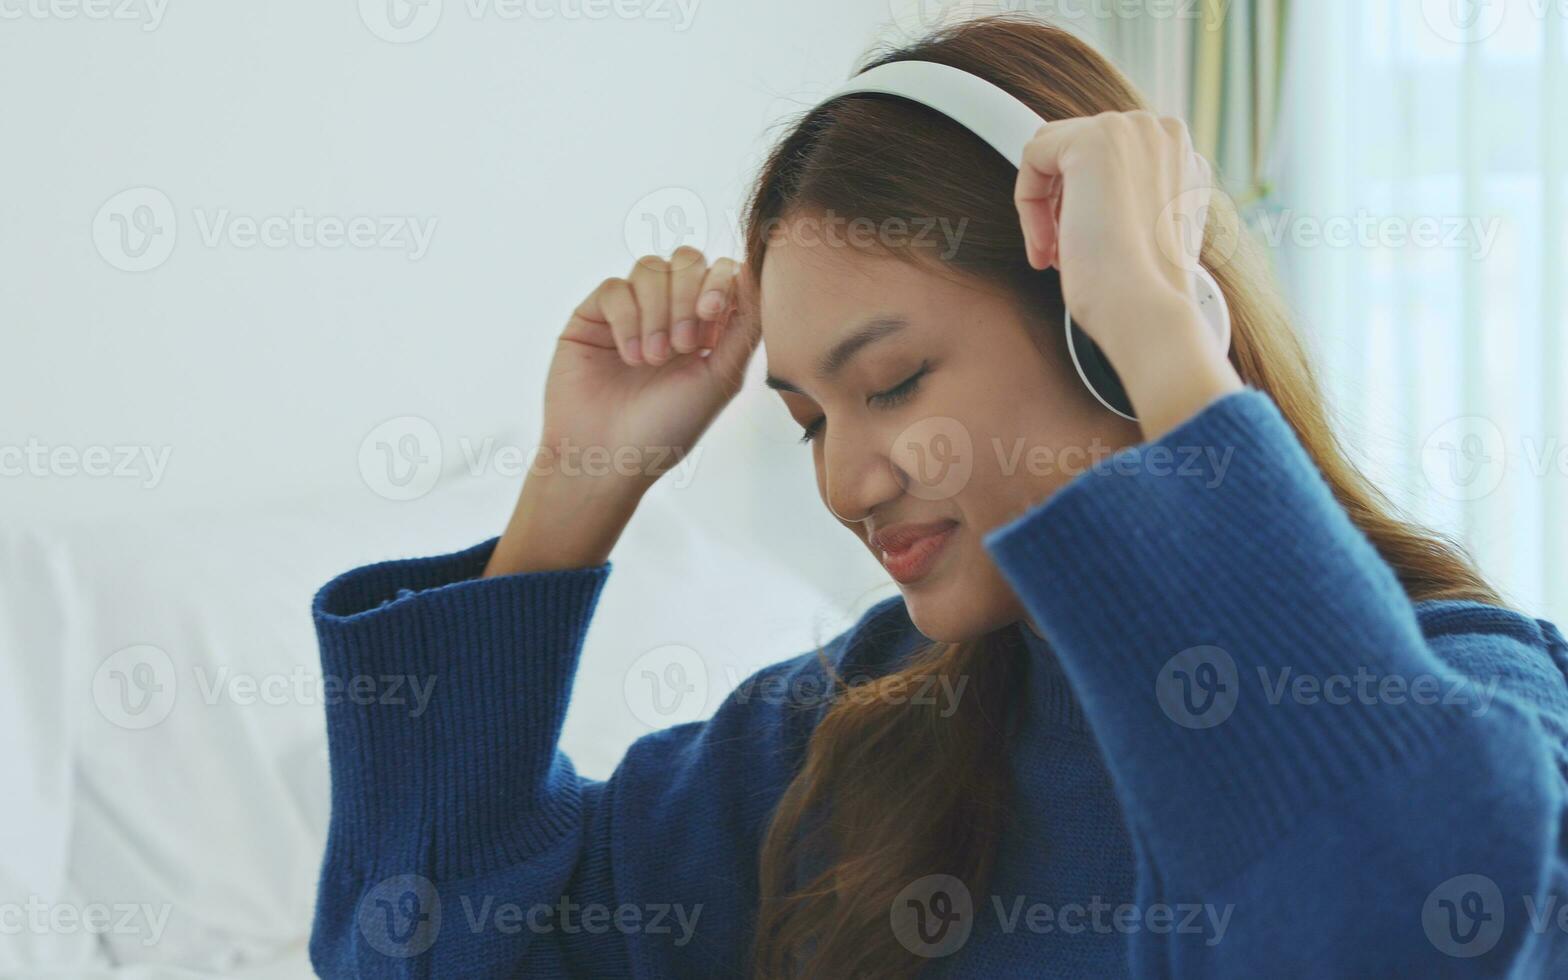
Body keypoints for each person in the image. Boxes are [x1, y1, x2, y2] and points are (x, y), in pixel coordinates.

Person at [308, 14, 1568, 978]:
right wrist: (572, 490)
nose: (846, 482)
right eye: (805, 421)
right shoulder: (844, 736)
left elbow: (1387, 917)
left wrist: (1165, 340)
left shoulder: (1474, 696)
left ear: (1090, 335)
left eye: (894, 381)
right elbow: (415, 948)